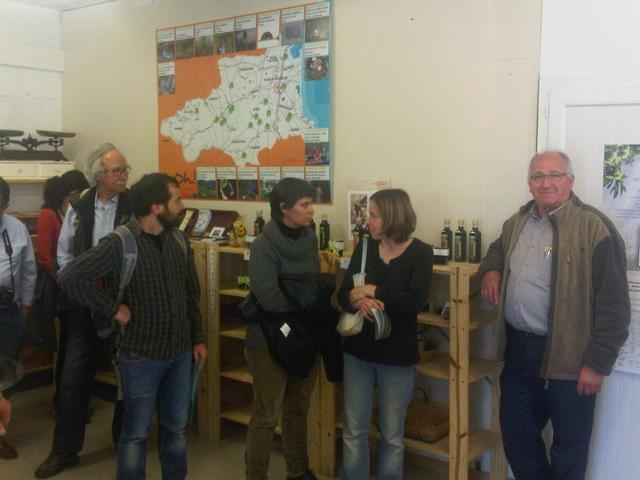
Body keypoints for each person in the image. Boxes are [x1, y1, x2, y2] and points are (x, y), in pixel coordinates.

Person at [479, 151, 630, 480]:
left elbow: (615, 306)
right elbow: (497, 249)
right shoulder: (517, 221)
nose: (546, 183)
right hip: (519, 353)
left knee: (569, 449)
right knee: (517, 437)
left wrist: (597, 363)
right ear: (529, 183)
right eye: (538, 176)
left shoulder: (595, 227)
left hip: (571, 358)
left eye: (555, 175)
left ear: (570, 181)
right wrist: (491, 269)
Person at [56, 173, 207, 480]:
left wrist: (198, 338)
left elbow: (191, 294)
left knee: (175, 430)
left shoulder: (179, 240)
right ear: (156, 206)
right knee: (135, 434)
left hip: (179, 353)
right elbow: (69, 276)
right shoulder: (120, 243)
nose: (182, 206)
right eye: (177, 199)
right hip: (140, 356)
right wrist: (113, 309)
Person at [35, 143, 132, 478]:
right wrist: (76, 285)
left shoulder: (133, 205)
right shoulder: (79, 207)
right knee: (73, 381)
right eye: (117, 170)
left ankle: (125, 444)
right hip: (83, 306)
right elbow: (63, 254)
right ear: (99, 175)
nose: (123, 175)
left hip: (121, 305)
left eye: (125, 169)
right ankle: (64, 450)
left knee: (127, 381)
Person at [337, 188, 433, 480]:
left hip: (398, 358)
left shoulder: (421, 253)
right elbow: (343, 296)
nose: (368, 220)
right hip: (358, 353)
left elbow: (413, 302)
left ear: (393, 216)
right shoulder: (364, 248)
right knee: (354, 431)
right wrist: (360, 301)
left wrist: (372, 290)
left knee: (392, 436)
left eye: (374, 215)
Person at [245, 178, 323, 480]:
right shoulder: (263, 246)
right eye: (305, 205)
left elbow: (312, 284)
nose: (311, 211)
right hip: (267, 337)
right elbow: (269, 298)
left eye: (311, 204)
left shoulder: (310, 237)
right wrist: (306, 304)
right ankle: (256, 475)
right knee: (266, 413)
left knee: (298, 408)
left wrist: (309, 303)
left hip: (302, 335)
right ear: (283, 208)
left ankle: (298, 471)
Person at [33, 171, 89, 400]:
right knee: (65, 344)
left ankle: (72, 398)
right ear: (74, 192)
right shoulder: (48, 214)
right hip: (58, 289)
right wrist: (66, 279)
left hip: (72, 287)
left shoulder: (70, 213)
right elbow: (45, 257)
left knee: (72, 343)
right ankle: (63, 399)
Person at [0, 177, 37, 460]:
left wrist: (25, 306)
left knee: (4, 376)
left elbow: (28, 269)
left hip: (8, 312)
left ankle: (0, 433)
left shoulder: (16, 228)